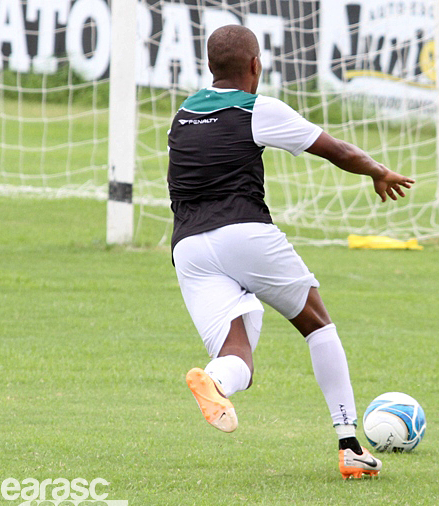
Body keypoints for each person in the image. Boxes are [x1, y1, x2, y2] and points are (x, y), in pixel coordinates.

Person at [166, 25, 414, 480]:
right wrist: (378, 171)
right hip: (245, 234)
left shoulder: (182, 114)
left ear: (209, 67)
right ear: (255, 66)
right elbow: (334, 149)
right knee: (317, 324)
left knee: (236, 353)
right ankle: (349, 444)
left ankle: (215, 382)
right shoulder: (256, 107)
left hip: (188, 249)